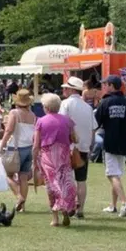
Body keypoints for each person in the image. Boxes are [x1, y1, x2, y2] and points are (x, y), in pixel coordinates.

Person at [95, 75, 126, 217]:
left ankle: (124, 203)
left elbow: (95, 124)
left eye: (105, 84)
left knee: (112, 174)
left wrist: (88, 141)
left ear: (111, 85)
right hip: (123, 143)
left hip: (110, 143)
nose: (103, 87)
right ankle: (113, 206)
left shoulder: (105, 102)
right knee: (116, 175)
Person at [32, 93, 77, 227]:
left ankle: (55, 217)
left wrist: (34, 161)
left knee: (51, 185)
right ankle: (65, 208)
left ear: (46, 107)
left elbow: (36, 144)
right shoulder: (68, 120)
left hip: (47, 157)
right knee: (65, 182)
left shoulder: (40, 121)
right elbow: (75, 138)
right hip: (63, 155)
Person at [59, 76, 96, 219]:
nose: (64, 90)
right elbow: (93, 129)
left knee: (66, 177)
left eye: (66, 88)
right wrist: (90, 144)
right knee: (81, 180)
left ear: (70, 89)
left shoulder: (65, 104)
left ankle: (69, 205)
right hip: (83, 147)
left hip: (68, 146)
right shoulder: (87, 107)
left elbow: (62, 125)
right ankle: (81, 209)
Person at [0, 89, 36, 212]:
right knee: (24, 177)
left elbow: (9, 130)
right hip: (29, 147)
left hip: (15, 147)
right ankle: (22, 206)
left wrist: (2, 144)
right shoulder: (32, 115)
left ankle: (19, 197)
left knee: (8, 175)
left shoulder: (14, 113)